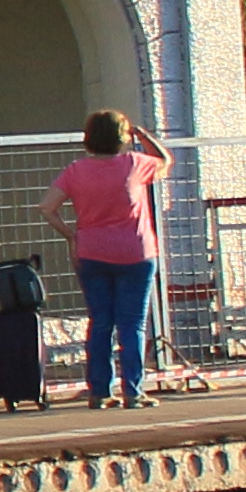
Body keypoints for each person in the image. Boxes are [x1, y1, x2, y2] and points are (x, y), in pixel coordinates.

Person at [47, 110, 170, 408]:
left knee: (100, 322)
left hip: (92, 253)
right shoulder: (135, 163)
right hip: (135, 253)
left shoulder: (76, 170)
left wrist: (71, 235)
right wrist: (144, 137)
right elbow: (165, 163)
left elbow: (47, 207)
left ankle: (100, 391)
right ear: (122, 136)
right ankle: (133, 391)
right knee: (132, 325)